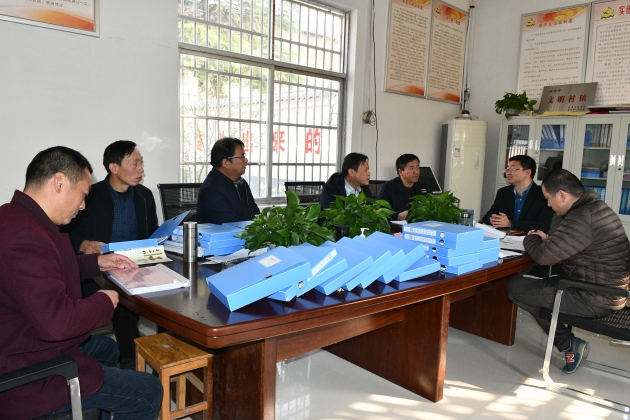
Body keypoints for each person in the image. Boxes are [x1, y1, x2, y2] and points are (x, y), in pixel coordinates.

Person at [0, 146, 162, 419]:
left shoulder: (18, 217)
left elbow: (47, 270)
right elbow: (58, 322)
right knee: (147, 391)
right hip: (27, 373)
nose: (83, 205)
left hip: (25, 340)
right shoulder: (23, 237)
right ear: (59, 183)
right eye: (83, 194)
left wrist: (98, 262)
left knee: (108, 348)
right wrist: (104, 301)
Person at [506, 169, 630, 374]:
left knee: (515, 287)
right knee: (533, 287)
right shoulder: (597, 208)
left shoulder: (582, 216)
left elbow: (543, 257)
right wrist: (549, 240)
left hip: (593, 297)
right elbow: (579, 244)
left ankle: (568, 345)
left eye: (548, 198)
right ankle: (567, 341)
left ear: (562, 195)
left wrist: (532, 238)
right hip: (607, 291)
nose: (548, 204)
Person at [64, 140, 159, 370]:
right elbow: (68, 234)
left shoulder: (144, 195)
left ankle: (166, 355)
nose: (141, 169)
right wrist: (84, 244)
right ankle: (129, 361)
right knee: (123, 298)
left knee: (168, 294)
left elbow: (152, 233)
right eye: (134, 164)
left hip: (136, 264)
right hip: (100, 268)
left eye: (141, 163)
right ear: (113, 167)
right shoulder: (91, 196)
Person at [196, 137, 260, 224]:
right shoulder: (211, 190)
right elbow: (229, 225)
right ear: (225, 163)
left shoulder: (241, 183)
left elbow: (255, 213)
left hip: (246, 231)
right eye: (242, 156)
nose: (246, 160)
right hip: (229, 232)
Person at [482, 155, 553, 232]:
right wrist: (495, 220)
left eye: (513, 169)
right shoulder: (503, 193)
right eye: (507, 169)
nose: (508, 173)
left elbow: (543, 225)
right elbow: (487, 217)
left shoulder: (542, 194)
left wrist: (510, 224)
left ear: (527, 173)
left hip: (529, 238)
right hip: (505, 236)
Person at [377, 153, 432, 221]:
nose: (416, 172)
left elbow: (431, 209)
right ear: (400, 172)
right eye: (411, 168)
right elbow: (380, 212)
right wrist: (398, 216)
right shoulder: (387, 188)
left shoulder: (424, 187)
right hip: (394, 226)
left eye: (417, 167)